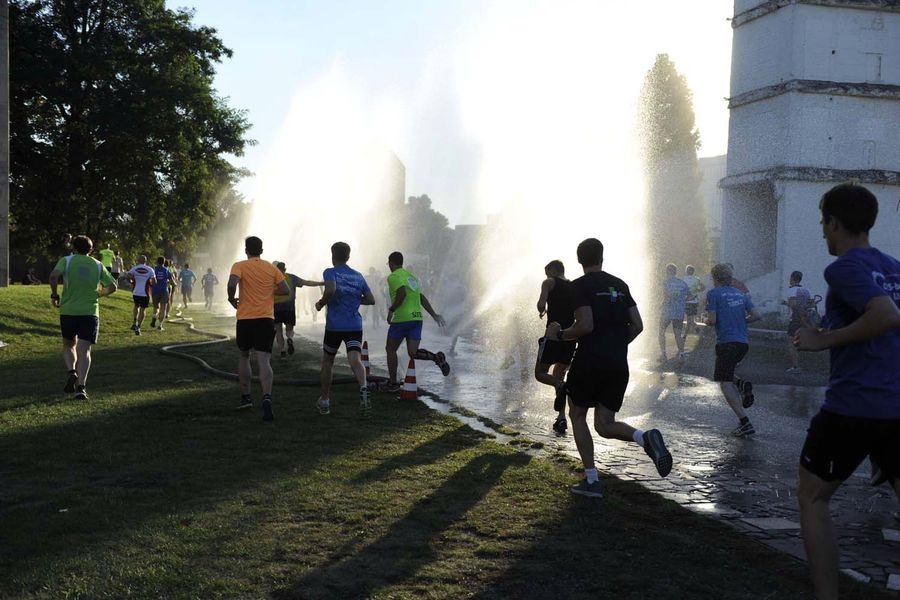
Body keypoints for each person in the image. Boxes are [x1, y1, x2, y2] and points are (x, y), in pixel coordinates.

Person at [793, 183, 900, 600]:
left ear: (834, 223)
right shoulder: (893, 267)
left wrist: (825, 341)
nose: (823, 232)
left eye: (824, 223)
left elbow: (886, 316)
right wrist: (833, 330)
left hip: (855, 404)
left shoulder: (842, 268)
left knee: (813, 497)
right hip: (894, 403)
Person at [545, 238, 672, 498]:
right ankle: (644, 438)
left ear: (579, 260)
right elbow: (637, 325)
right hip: (617, 362)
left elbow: (585, 326)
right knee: (605, 424)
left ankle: (592, 481)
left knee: (577, 415)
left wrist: (558, 335)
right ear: (602, 257)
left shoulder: (579, 286)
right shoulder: (620, 284)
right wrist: (614, 344)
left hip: (589, 360)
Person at [228, 236, 290, 422]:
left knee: (245, 355)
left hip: (246, 318)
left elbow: (232, 284)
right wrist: (269, 292)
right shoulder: (272, 268)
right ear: (261, 250)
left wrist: (232, 299)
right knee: (264, 360)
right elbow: (285, 290)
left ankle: (246, 396)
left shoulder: (239, 265)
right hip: (266, 319)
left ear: (246, 249)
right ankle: (267, 397)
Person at [48, 235, 117, 400]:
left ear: (74, 247)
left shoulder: (67, 261)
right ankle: (81, 387)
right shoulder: (98, 265)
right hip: (90, 311)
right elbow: (113, 286)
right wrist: (99, 294)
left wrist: (55, 294)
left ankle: (71, 371)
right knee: (85, 349)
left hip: (68, 310)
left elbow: (53, 276)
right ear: (91, 250)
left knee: (68, 345)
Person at [314, 241, 375, 415]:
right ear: (348, 257)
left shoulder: (330, 272)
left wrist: (320, 303)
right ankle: (363, 387)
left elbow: (331, 290)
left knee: (328, 361)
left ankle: (325, 400)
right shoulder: (358, 276)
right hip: (354, 325)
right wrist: (356, 299)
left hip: (334, 326)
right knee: (355, 360)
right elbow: (371, 299)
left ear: (332, 255)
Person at [704, 263, 762, 437]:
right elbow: (757, 316)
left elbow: (712, 320)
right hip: (742, 343)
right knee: (726, 373)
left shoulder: (713, 293)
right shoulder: (740, 294)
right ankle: (742, 384)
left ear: (715, 279)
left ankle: (745, 423)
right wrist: (741, 321)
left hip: (726, 343)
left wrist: (706, 321)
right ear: (730, 278)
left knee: (724, 382)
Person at [384, 251, 450, 392]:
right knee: (413, 353)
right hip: (417, 319)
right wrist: (434, 315)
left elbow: (401, 293)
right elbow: (420, 297)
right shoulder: (412, 277)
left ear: (391, 263)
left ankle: (393, 383)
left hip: (402, 319)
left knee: (390, 349)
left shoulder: (393, 276)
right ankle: (437, 358)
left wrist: (391, 310)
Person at [535, 259, 576, 432]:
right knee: (559, 374)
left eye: (547, 271)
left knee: (541, 373)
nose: (546, 275)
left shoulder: (549, 282)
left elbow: (540, 304)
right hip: (570, 337)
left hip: (552, 335)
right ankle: (561, 418)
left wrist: (542, 310)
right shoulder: (574, 286)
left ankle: (560, 386)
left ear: (553, 270)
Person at [272, 261, 324, 357]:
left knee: (278, 330)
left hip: (276, 308)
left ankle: (282, 351)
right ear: (285, 269)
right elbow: (306, 282)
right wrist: (321, 283)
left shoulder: (272, 278)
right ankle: (290, 338)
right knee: (289, 329)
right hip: (289, 308)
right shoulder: (291, 277)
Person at [658, 263, 689, 363]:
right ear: (675, 272)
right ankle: (681, 354)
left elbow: (666, 296)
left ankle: (663, 354)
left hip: (667, 312)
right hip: (679, 312)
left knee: (661, 332)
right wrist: (681, 302)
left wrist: (661, 305)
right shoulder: (682, 283)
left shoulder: (666, 282)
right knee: (678, 334)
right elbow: (691, 296)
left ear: (667, 271)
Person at [782, 270, 811, 374]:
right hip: (804, 319)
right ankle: (804, 364)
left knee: (791, 342)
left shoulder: (792, 290)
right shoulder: (806, 290)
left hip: (795, 319)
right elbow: (809, 305)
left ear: (792, 278)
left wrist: (785, 303)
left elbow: (793, 305)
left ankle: (795, 367)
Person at [126, 255, 156, 335]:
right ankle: (138, 327)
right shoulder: (150, 269)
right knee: (143, 309)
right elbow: (154, 281)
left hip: (136, 292)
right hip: (145, 293)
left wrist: (131, 282)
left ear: (138, 260)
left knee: (136, 306)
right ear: (145, 261)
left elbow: (128, 275)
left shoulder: (135, 268)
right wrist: (150, 284)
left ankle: (134, 322)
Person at [150, 257, 174, 331]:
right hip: (164, 291)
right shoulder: (166, 270)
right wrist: (174, 284)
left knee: (156, 307)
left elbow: (150, 280)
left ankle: (154, 317)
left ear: (157, 262)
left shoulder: (154, 269)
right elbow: (172, 281)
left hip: (155, 290)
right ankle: (160, 326)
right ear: (164, 262)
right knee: (163, 308)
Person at [681, 264, 705, 338]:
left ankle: (698, 332)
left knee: (690, 320)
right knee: (690, 320)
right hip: (694, 301)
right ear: (693, 272)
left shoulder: (683, 279)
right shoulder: (697, 279)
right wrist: (696, 292)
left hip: (687, 301)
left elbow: (682, 290)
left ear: (686, 271)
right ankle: (685, 335)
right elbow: (703, 288)